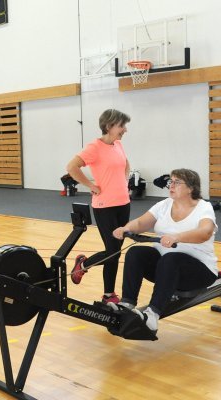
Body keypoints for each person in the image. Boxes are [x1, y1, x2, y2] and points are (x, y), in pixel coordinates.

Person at [111, 169, 218, 334]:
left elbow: (205, 232)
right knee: (135, 253)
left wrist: (177, 237)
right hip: (165, 269)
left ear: (191, 188)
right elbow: (141, 223)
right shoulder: (164, 204)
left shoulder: (204, 207)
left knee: (171, 259)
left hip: (199, 272)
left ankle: (153, 315)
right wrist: (125, 228)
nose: (171, 185)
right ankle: (127, 304)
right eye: (171, 182)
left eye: (177, 182)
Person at [66, 109, 131, 304]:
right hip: (104, 206)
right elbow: (71, 167)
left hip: (123, 204)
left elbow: (126, 165)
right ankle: (83, 264)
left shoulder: (118, 144)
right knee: (112, 250)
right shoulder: (94, 147)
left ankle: (108, 295)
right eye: (122, 125)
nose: (125, 130)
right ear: (110, 126)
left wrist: (124, 183)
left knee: (116, 251)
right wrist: (91, 186)